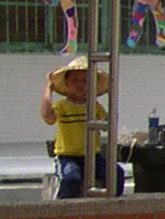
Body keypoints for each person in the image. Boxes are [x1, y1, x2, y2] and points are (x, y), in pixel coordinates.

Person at [41, 57, 123, 199]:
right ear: (67, 83)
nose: (80, 85)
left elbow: (107, 123)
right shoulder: (61, 106)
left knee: (116, 173)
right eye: (75, 81)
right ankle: (60, 209)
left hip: (92, 156)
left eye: (85, 81)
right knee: (71, 179)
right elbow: (48, 117)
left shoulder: (94, 106)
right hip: (68, 156)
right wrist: (49, 89)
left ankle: (113, 207)